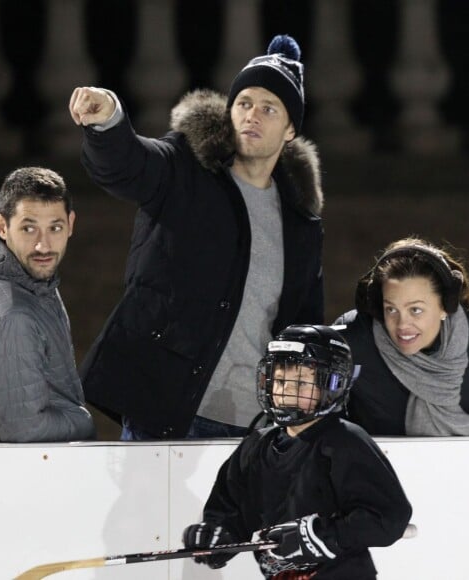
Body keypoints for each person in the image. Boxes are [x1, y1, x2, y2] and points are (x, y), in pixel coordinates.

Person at [68, 34, 325, 440]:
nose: (252, 115)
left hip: (254, 424)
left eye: (268, 108)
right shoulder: (186, 167)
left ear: (290, 128)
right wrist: (109, 121)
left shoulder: (301, 223)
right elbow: (129, 165)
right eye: (243, 103)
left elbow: (303, 323)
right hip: (167, 408)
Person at [182, 325, 412, 579]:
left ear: (333, 384)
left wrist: (323, 535)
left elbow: (389, 517)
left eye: (301, 382)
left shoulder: (344, 441)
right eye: (280, 381)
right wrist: (217, 536)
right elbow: (231, 510)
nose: (286, 392)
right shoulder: (256, 446)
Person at [0, 166, 96, 443]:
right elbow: (21, 429)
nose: (43, 245)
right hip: (2, 479)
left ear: (71, 224)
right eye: (28, 228)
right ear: (2, 226)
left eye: (54, 228)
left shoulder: (8, 276)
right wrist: (82, 420)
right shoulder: (10, 317)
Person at [334, 237, 469, 436]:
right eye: (391, 309)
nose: (402, 325)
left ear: (446, 306)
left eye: (415, 310)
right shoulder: (351, 339)